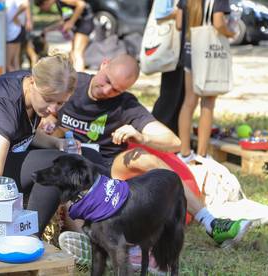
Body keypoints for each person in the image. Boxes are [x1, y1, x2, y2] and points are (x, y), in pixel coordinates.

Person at [41, 54, 250, 253]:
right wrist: (49, 120)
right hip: (69, 161)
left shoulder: (125, 104)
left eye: (115, 89)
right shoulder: (74, 83)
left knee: (143, 156)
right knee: (68, 180)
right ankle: (92, 243)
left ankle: (210, 222)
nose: (106, 90)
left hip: (107, 166)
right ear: (104, 64)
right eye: (106, 81)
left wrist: (142, 137)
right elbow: (41, 105)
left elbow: (174, 142)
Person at [0, 53, 106, 236]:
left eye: (60, 102)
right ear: (32, 83)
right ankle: (28, 238)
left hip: (8, 153)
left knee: (89, 156)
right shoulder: (5, 104)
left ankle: (97, 232)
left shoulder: (30, 89)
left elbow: (23, 131)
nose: (53, 109)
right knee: (59, 166)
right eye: (49, 99)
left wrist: (56, 142)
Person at [176, 0, 235, 162]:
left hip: (190, 50)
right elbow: (218, 23)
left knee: (188, 102)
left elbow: (179, 24)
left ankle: (184, 152)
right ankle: (202, 153)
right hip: (208, 53)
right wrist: (230, 33)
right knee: (208, 102)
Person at [152, 0, 186, 135]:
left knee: (180, 96)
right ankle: (156, 134)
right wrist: (183, 11)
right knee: (170, 96)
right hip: (172, 50)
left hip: (182, 50)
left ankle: (173, 135)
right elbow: (160, 13)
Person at [35, 0, 93, 71]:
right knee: (72, 54)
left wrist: (71, 22)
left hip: (84, 23)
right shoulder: (59, 3)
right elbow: (65, 20)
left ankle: (81, 78)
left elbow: (81, 4)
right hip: (77, 26)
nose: (44, 10)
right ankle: (73, 76)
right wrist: (48, 29)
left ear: (45, 2)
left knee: (77, 53)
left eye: (42, 8)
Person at [6, 0, 32, 72]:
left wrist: (14, 16)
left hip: (13, 31)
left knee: (9, 64)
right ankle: (18, 81)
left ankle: (15, 82)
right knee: (15, 60)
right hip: (14, 30)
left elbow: (25, 4)